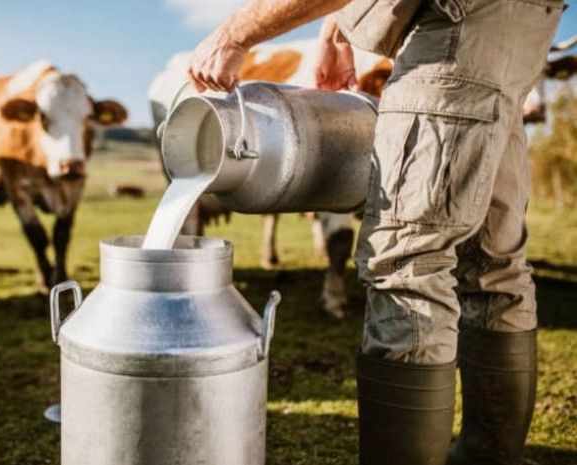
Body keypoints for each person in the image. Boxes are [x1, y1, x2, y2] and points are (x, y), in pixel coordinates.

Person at [186, 0, 565, 463]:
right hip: (516, 24)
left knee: (407, 262)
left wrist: (231, 36)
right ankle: (489, 456)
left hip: (454, 27)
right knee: (492, 261)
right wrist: (334, 36)